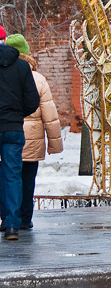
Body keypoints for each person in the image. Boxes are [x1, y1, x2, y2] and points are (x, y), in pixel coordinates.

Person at [6, 35, 61, 231]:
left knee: (9, 178)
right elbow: (49, 114)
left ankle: (8, 218)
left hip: (8, 135)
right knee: (28, 181)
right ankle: (25, 219)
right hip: (33, 141)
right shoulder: (38, 79)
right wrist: (55, 144)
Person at [0, 25, 40, 241]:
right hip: (14, 128)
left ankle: (4, 218)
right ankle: (12, 226)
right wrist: (17, 114)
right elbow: (33, 100)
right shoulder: (22, 67)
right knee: (13, 175)